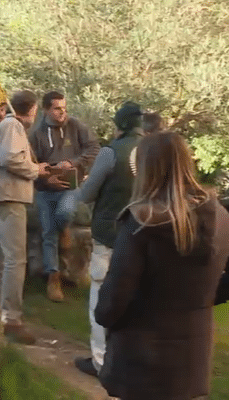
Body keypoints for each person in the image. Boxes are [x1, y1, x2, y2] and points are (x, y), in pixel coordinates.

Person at [95, 131, 229, 400]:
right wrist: (199, 300)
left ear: (146, 168)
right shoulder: (220, 216)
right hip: (193, 352)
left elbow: (115, 295)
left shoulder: (143, 223)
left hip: (142, 356)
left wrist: (104, 317)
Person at [71, 102, 144, 377]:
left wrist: (80, 189)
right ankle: (129, 360)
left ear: (120, 124)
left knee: (101, 299)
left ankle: (101, 362)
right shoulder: (154, 150)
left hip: (109, 234)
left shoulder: (109, 152)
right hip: (142, 237)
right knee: (134, 300)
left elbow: (88, 193)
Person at [0, 90, 49, 344]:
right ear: (31, 109)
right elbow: (9, 157)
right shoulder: (13, 125)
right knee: (15, 260)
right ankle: (11, 317)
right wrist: (34, 170)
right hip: (9, 197)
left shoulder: (6, 125)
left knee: (0, 259)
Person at [30, 90, 100, 302]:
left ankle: (65, 228)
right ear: (46, 110)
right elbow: (29, 165)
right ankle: (54, 279)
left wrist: (74, 163)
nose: (63, 112)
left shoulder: (76, 126)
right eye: (57, 108)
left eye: (64, 108)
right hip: (45, 190)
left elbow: (94, 148)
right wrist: (45, 178)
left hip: (71, 187)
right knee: (48, 233)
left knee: (66, 211)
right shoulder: (35, 134)